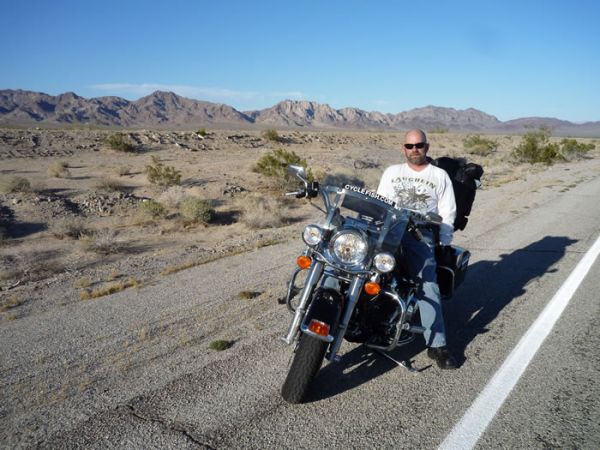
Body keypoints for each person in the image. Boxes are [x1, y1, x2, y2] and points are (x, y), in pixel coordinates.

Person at [376, 129, 458, 369]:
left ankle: (437, 345)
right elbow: (381, 202)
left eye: (419, 145)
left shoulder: (439, 175)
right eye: (410, 146)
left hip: (420, 233)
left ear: (427, 147)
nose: (414, 150)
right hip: (391, 228)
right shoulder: (392, 172)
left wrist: (444, 242)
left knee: (428, 283)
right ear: (403, 148)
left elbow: (447, 211)